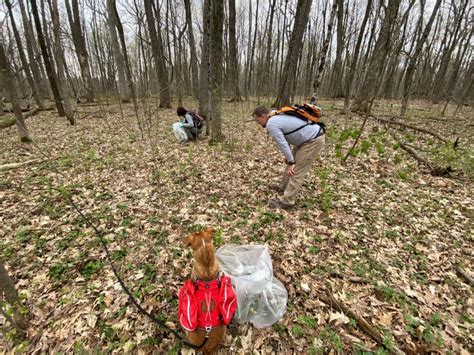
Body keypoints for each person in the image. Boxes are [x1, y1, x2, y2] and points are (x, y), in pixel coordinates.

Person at [252, 105, 325, 209]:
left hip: (312, 140)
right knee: (291, 165)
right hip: (305, 140)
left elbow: (282, 143)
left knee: (296, 170)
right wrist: (290, 158)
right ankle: (283, 186)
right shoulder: (275, 114)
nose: (257, 122)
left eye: (257, 119)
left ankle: (287, 201)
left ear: (263, 116)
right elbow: (287, 137)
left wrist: (291, 161)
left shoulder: (271, 123)